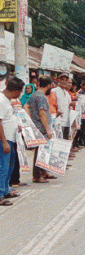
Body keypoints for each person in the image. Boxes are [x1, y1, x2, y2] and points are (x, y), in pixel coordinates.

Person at [24, 76, 55, 183]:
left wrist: (31, 121)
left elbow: (26, 106)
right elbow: (42, 113)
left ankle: (44, 172)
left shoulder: (34, 94)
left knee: (43, 151)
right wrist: (47, 129)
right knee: (40, 152)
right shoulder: (41, 97)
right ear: (48, 85)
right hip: (41, 128)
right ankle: (38, 176)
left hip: (37, 126)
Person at [0, 76, 25, 205]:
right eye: (20, 92)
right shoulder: (1, 100)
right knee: (3, 167)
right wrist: (4, 142)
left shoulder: (7, 100)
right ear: (16, 91)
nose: (20, 94)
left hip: (11, 137)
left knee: (10, 165)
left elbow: (7, 118)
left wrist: (16, 124)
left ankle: (5, 190)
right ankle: (0, 194)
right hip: (4, 139)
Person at [52, 73, 72, 140]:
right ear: (59, 80)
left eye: (66, 80)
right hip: (58, 120)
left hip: (66, 120)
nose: (64, 81)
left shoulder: (66, 93)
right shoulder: (54, 91)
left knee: (65, 139)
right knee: (58, 139)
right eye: (62, 79)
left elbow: (69, 104)